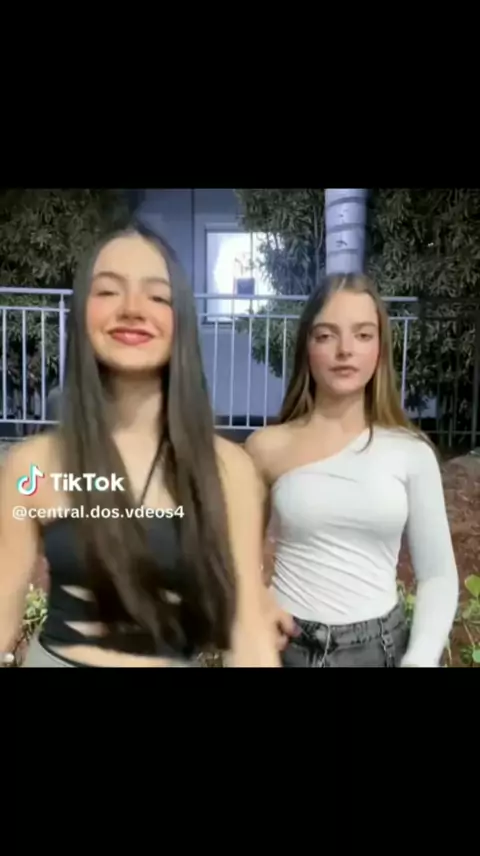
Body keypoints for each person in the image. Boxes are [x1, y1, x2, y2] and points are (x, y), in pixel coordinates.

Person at [0, 222, 279, 667]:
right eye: (108, 291)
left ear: (180, 320)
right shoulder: (32, 465)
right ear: (82, 312)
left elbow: (248, 632)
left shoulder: (229, 470)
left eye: (157, 296)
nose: (131, 309)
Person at [246, 273, 459, 668]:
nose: (345, 350)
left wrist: (419, 660)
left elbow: (438, 576)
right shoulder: (266, 447)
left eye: (362, 335)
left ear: (380, 348)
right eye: (326, 335)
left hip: (381, 651)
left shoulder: (412, 453)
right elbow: (233, 556)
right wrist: (255, 607)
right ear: (306, 346)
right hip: (285, 647)